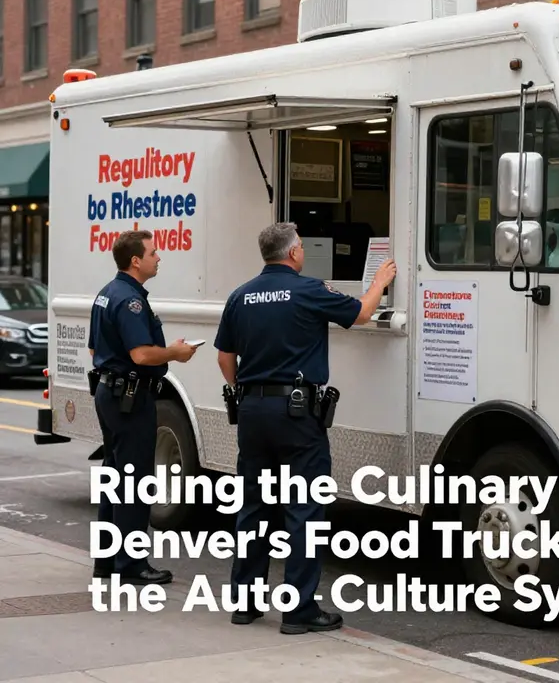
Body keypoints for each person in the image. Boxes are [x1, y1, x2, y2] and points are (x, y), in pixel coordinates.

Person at [214, 222, 397, 633]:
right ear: (294, 252)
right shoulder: (308, 289)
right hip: (297, 415)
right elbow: (362, 313)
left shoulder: (240, 296)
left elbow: (225, 357)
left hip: (252, 411)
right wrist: (380, 282)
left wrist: (248, 391)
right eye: (301, 247)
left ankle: (245, 603)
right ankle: (298, 611)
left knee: (254, 508)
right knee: (303, 511)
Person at [88, 230, 197, 584]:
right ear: (136, 261)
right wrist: (174, 353)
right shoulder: (130, 301)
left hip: (110, 393)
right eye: (153, 253)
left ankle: (106, 560)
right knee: (134, 482)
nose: (158, 257)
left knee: (114, 477)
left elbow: (94, 350)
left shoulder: (107, 293)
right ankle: (132, 565)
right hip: (130, 399)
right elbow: (141, 354)